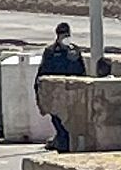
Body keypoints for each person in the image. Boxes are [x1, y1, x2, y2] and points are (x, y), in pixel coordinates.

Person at [36, 22, 87, 152]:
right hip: (56, 93)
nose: (65, 37)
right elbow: (43, 72)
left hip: (72, 93)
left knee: (72, 122)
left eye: (67, 35)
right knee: (58, 120)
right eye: (63, 35)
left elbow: (82, 71)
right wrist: (39, 92)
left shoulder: (75, 51)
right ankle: (61, 141)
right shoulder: (51, 51)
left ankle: (66, 142)